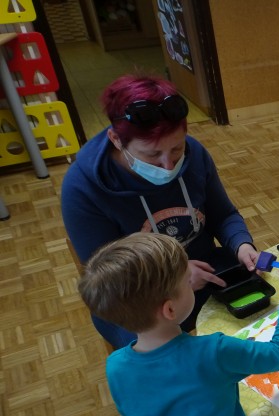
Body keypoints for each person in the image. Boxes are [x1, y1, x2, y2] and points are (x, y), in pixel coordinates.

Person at [77, 232, 279, 416]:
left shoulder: (115, 365)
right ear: (170, 310)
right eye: (187, 282)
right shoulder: (213, 352)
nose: (193, 283)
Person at [61, 74, 260, 349]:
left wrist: (241, 244)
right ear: (116, 140)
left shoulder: (195, 154)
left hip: (204, 272)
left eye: (176, 149)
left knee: (261, 319)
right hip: (138, 297)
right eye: (152, 155)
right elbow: (107, 276)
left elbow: (223, 215)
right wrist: (176, 276)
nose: (168, 165)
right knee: (171, 362)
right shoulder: (82, 187)